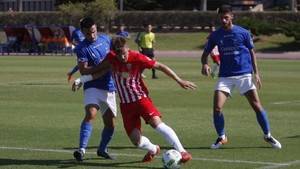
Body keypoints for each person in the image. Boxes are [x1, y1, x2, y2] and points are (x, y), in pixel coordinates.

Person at [72, 36, 196, 163]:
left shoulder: (137, 57)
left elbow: (160, 66)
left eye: (124, 54)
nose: (122, 57)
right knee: (136, 141)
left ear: (127, 48)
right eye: (119, 55)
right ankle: (153, 149)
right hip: (126, 106)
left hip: (141, 99)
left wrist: (179, 80)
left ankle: (182, 151)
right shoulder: (111, 58)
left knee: (156, 123)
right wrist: (81, 79)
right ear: (114, 53)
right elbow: (99, 71)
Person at [200, 5, 281, 149]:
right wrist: (204, 64)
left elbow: (252, 53)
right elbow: (205, 54)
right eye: (221, 18)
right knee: (217, 108)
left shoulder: (243, 33)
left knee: (256, 106)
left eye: (226, 17)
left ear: (232, 16)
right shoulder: (215, 35)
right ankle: (221, 136)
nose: (223, 20)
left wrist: (256, 73)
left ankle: (268, 135)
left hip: (244, 75)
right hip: (225, 76)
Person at [72, 17, 117, 161]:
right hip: (92, 86)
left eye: (93, 31)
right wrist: (103, 67)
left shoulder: (106, 39)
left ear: (96, 27)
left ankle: (102, 149)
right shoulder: (81, 48)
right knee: (91, 114)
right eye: (88, 34)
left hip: (109, 86)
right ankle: (81, 150)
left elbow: (116, 57)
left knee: (110, 124)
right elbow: (84, 71)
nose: (91, 35)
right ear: (83, 33)